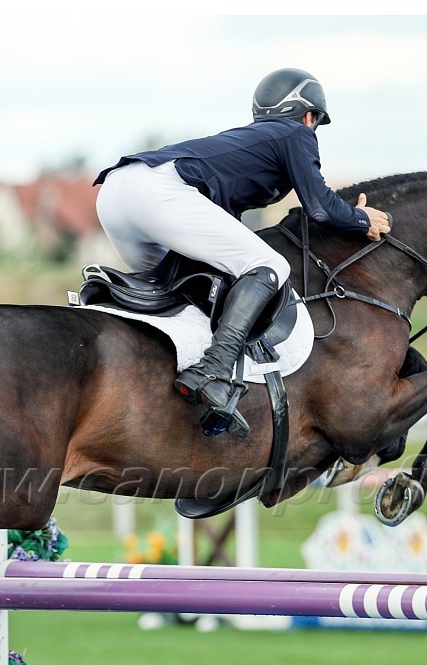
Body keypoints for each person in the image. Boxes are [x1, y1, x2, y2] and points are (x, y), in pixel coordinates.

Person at [93, 67, 391, 439]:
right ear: (309, 115)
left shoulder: (250, 140)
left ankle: (160, 382)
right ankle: (213, 372)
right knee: (270, 265)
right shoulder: (296, 133)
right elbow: (320, 206)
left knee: (184, 296)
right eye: (315, 122)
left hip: (116, 192)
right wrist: (361, 219)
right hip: (157, 193)